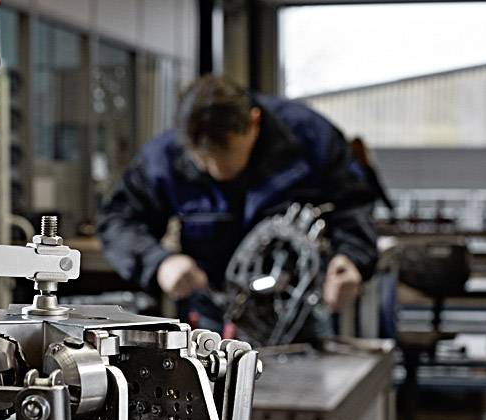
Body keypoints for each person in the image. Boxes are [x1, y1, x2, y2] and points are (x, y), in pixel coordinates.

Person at [97, 74, 378, 336]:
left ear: (253, 123)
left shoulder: (309, 137)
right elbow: (118, 219)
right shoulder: (164, 157)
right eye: (203, 161)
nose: (217, 169)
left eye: (226, 155)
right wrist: (159, 263)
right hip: (210, 313)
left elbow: (354, 201)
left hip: (300, 309)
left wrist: (350, 256)